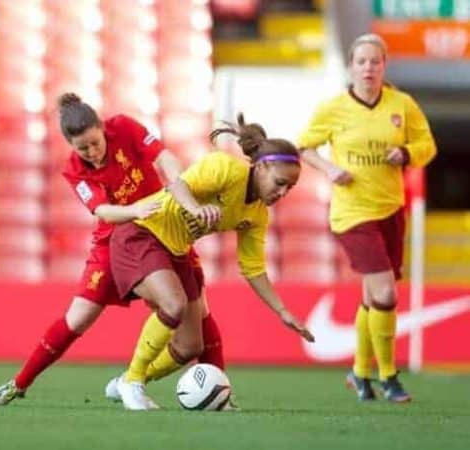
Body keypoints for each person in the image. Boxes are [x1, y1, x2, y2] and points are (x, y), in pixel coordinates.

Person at [0, 93, 225, 407]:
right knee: (79, 318)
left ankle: (155, 383)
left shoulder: (124, 127)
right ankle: (18, 384)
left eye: (95, 143)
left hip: (163, 229)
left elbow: (164, 157)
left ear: (103, 128)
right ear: (71, 146)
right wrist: (137, 210)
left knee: (195, 328)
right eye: (82, 149)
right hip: (115, 242)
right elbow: (103, 212)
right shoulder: (73, 169)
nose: (92, 153)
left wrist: (180, 186)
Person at [107, 113, 315, 410]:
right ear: (263, 166)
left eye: (289, 189)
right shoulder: (225, 168)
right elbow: (177, 185)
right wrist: (195, 207)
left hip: (175, 250)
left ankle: (126, 379)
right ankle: (133, 382)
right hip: (143, 233)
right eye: (280, 183)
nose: (282, 193)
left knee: (190, 346)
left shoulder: (257, 214)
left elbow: (253, 268)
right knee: (174, 304)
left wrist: (282, 311)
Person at [298, 33, 437, 402]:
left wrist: (406, 153)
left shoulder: (402, 105)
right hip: (352, 214)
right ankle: (389, 377)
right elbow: (304, 147)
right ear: (350, 67)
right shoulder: (333, 109)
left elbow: (428, 145)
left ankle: (360, 373)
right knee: (387, 292)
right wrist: (328, 169)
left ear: (384, 66)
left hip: (390, 210)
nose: (369, 68)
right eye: (361, 61)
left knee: (372, 298)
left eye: (375, 61)